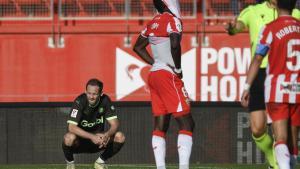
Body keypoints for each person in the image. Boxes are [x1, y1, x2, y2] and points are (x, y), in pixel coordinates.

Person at [226, 0, 300, 168]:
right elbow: (237, 27)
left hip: (280, 76)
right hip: (262, 75)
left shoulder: (292, 16)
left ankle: (279, 163)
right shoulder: (252, 10)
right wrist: (231, 28)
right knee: (258, 128)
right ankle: (278, 159)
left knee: (285, 134)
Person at [133, 0, 195, 169]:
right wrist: (178, 68)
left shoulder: (152, 22)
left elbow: (137, 47)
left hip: (154, 74)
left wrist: (154, 62)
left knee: (161, 125)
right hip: (168, 75)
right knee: (187, 123)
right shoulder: (173, 20)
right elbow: (175, 45)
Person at [62, 78, 125, 169]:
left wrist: (107, 135)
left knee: (120, 136)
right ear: (85, 91)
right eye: (89, 93)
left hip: (99, 141)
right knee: (68, 137)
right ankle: (70, 165)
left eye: (94, 94)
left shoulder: (105, 100)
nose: (91, 97)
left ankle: (100, 163)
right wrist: (92, 137)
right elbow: (71, 127)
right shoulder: (79, 101)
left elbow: (115, 124)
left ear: (101, 93)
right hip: (80, 142)